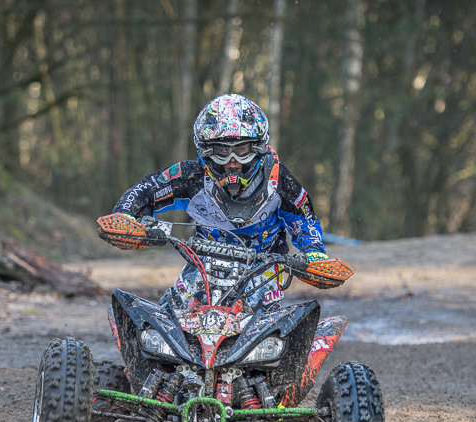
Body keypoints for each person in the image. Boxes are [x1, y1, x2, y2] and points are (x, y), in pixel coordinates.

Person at [97, 94, 351, 308]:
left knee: (274, 327)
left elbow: (304, 219)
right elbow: (148, 188)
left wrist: (315, 255)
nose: (232, 160)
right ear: (207, 150)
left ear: (257, 147)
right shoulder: (192, 176)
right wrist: (124, 216)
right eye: (222, 149)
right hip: (202, 269)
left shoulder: (279, 181)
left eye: (241, 149)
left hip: (263, 272)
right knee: (166, 316)